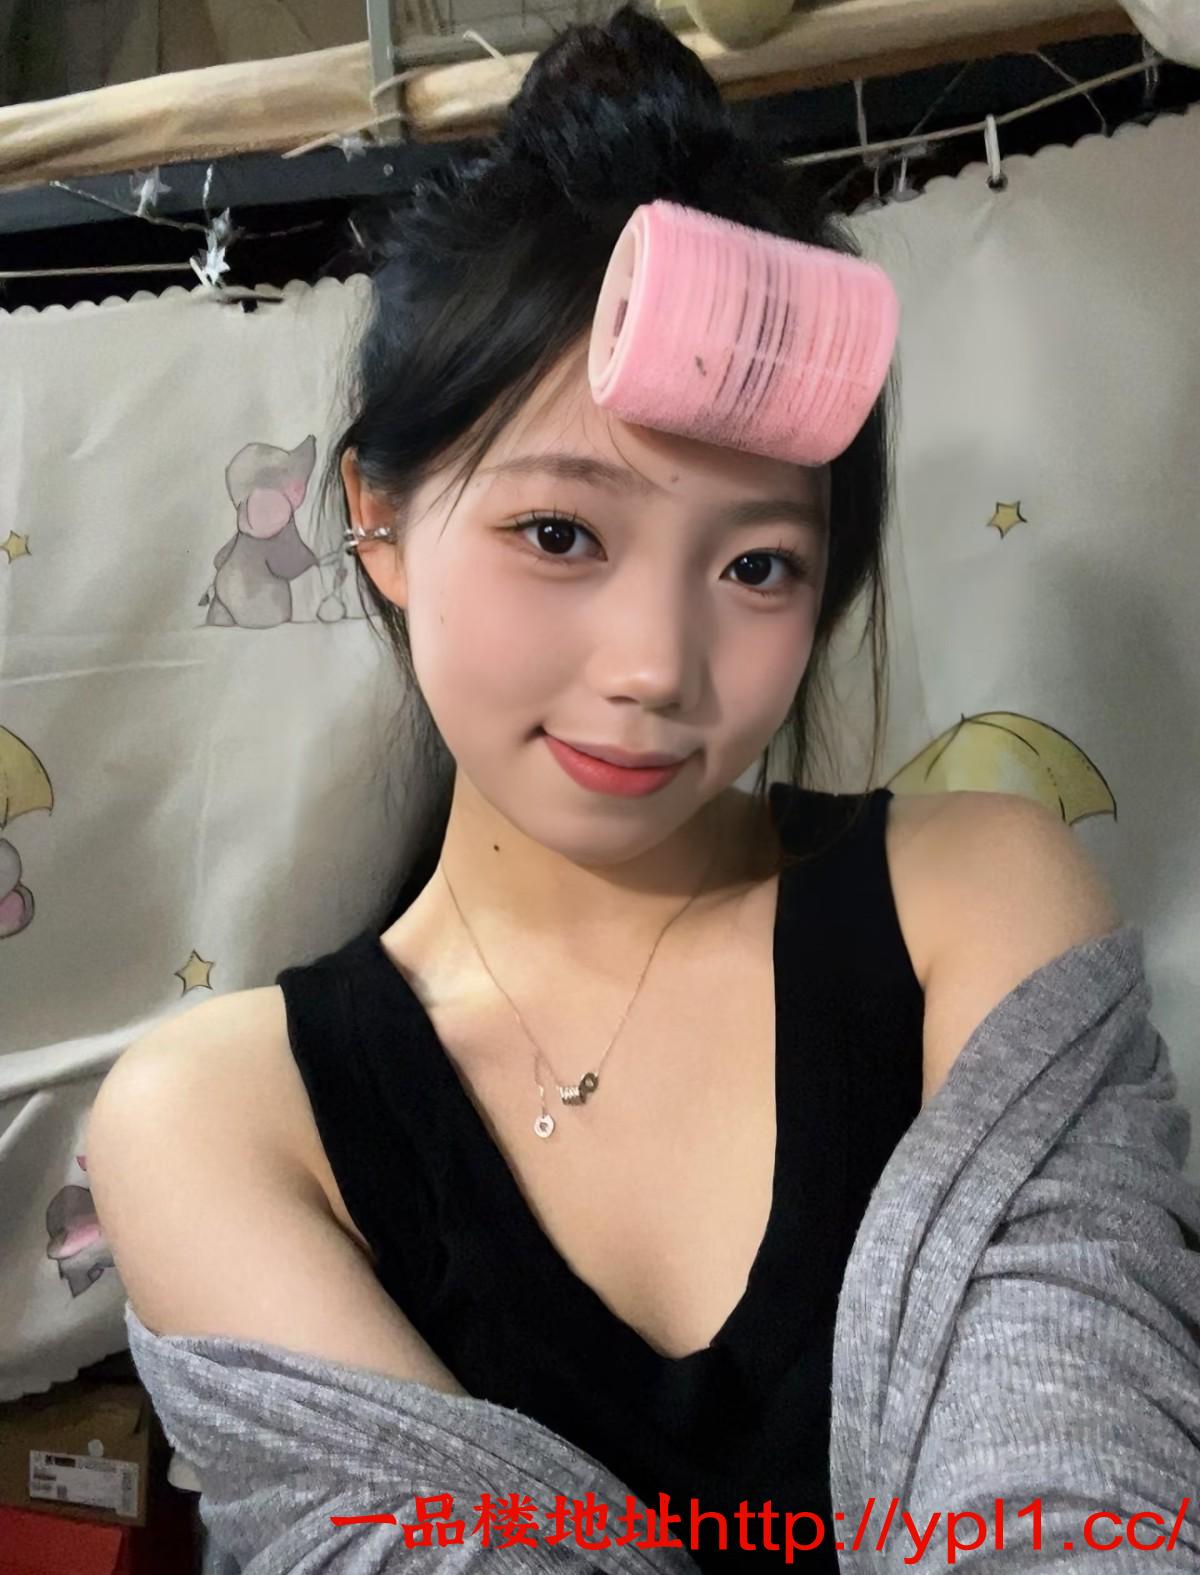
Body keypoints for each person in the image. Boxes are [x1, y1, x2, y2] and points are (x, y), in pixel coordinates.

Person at [86, 6, 1122, 1568]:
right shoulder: (222, 1119)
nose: (656, 668)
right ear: (378, 517)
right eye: (561, 534)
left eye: (757, 564)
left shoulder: (972, 900)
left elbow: (1086, 1506)